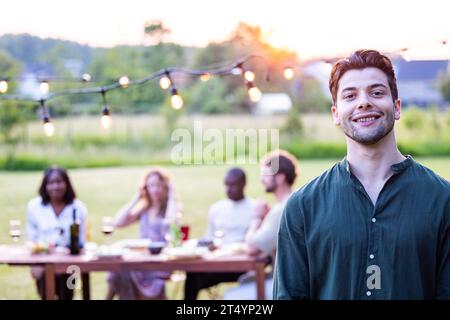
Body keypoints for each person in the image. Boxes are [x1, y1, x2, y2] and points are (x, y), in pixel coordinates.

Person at [274, 49, 450, 300]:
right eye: (350, 95)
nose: (364, 102)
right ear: (336, 113)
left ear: (397, 107)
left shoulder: (443, 200)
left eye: (377, 92)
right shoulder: (302, 207)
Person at [223, 151, 298, 300]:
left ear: (280, 177)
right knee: (244, 281)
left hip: (287, 285)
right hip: (292, 280)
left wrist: (256, 217)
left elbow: (252, 249)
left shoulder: (282, 209)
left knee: (230, 297)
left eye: (265, 174)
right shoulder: (292, 202)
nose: (261, 179)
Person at [106, 169, 182, 300]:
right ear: (146, 188)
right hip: (141, 258)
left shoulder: (173, 208)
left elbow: (171, 223)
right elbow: (117, 223)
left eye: (159, 185)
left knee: (123, 271)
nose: (156, 189)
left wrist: (171, 197)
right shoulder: (144, 209)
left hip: (161, 261)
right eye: (151, 185)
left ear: (165, 187)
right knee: (116, 273)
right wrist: (136, 198)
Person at [184, 167, 254, 300]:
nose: (228, 189)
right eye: (226, 184)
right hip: (218, 262)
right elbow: (209, 237)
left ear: (243, 184)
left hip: (242, 265)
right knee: (192, 274)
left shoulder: (253, 208)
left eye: (233, 184)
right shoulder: (217, 208)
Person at [26, 166, 88, 300]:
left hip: (70, 262)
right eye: (51, 183)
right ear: (45, 186)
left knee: (67, 291)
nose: (55, 186)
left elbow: (82, 242)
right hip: (44, 260)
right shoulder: (34, 207)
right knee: (47, 290)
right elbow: (32, 240)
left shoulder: (78, 208)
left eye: (59, 182)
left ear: (67, 184)